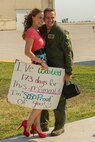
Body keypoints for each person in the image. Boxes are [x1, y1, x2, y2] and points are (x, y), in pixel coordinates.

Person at [39, 8, 73, 136]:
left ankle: (59, 126)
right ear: (44, 18)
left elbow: (68, 53)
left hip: (59, 72)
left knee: (59, 100)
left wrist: (68, 72)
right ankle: (43, 123)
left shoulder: (61, 32)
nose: (50, 20)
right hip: (45, 71)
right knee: (42, 97)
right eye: (47, 17)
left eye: (52, 17)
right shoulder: (41, 30)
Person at [18, 8, 48, 138]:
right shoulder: (31, 31)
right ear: (33, 18)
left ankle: (37, 125)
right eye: (40, 18)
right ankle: (29, 123)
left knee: (39, 99)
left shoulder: (36, 31)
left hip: (41, 66)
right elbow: (27, 52)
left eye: (43, 18)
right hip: (38, 66)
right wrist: (40, 62)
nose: (42, 20)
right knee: (41, 99)